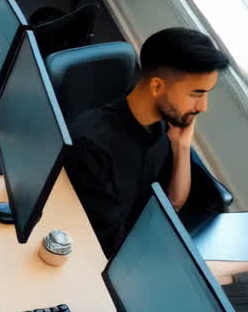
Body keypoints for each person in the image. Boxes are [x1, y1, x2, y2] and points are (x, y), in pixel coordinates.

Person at [67, 28, 231, 259]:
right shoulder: (92, 145)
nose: (203, 107)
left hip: (144, 239)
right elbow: (109, 246)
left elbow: (173, 204)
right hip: (110, 254)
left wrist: (182, 147)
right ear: (157, 87)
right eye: (196, 94)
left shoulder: (163, 126)